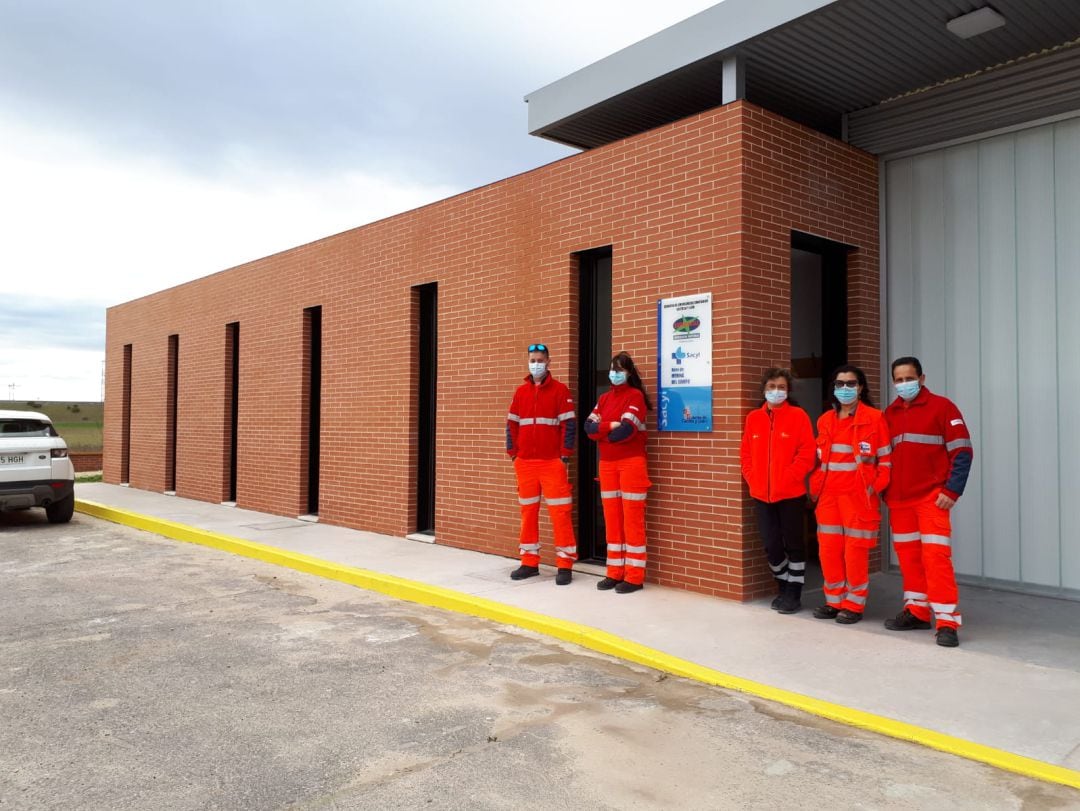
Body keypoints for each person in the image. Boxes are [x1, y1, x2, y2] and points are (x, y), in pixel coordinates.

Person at [882, 357, 973, 648]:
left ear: (921, 379)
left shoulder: (943, 407)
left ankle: (947, 622)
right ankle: (917, 611)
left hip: (932, 498)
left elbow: (962, 451)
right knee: (909, 559)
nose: (904, 384)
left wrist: (952, 490)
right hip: (900, 500)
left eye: (909, 378)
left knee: (936, 559)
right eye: (898, 379)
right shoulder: (890, 413)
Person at [808, 365, 892, 624]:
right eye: (840, 384)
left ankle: (854, 605)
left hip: (859, 499)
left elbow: (886, 462)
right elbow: (820, 460)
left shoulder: (875, 418)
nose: (845, 389)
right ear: (833, 388)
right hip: (829, 497)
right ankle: (834, 601)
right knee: (829, 551)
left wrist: (872, 489)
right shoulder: (824, 420)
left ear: (861, 387)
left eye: (851, 383)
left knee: (854, 553)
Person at [740, 367, 816, 613]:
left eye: (781, 387)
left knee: (794, 544)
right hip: (761, 494)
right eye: (771, 387)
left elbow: (806, 454)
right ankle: (782, 583)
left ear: (788, 390)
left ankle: (793, 593)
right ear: (764, 390)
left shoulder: (798, 416)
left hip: (791, 494)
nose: (776, 392)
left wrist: (789, 477)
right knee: (771, 544)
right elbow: (746, 455)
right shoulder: (754, 418)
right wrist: (752, 478)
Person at [505, 343, 578, 584]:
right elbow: (511, 424)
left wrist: (564, 455)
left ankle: (565, 565)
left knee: (560, 514)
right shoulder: (520, 392)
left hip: (551, 463)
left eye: (540, 360)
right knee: (528, 513)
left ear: (549, 362)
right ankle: (529, 562)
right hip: (525, 463)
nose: (535, 364)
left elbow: (569, 424)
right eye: (532, 360)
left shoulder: (560, 390)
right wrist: (513, 452)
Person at [584, 352, 652, 593]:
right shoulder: (603, 399)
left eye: (620, 369)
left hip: (631, 464)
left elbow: (624, 431)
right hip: (607, 465)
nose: (615, 373)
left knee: (632, 520)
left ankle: (634, 576)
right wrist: (608, 426)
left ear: (629, 373)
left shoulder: (635, 397)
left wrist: (606, 431)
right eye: (613, 368)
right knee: (612, 519)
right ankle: (614, 572)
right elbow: (588, 428)